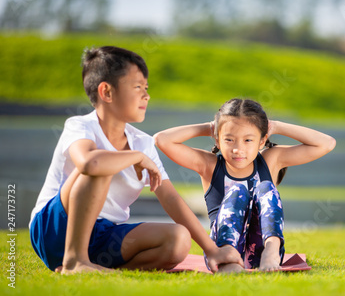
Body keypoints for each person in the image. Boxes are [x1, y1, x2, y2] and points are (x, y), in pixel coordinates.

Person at [29, 46, 243, 274]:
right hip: (54, 228)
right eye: (137, 87)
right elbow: (89, 164)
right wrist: (136, 157)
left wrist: (212, 249)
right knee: (101, 165)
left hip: (105, 235)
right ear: (106, 92)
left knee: (178, 239)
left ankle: (101, 269)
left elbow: (170, 198)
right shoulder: (80, 126)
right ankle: (75, 262)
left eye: (147, 88)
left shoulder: (143, 142)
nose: (146, 95)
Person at [154, 98, 336, 272]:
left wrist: (277, 126)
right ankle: (229, 256)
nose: (237, 149)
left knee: (265, 187)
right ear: (217, 139)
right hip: (221, 252)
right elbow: (161, 140)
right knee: (237, 190)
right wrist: (211, 127)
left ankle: (272, 250)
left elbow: (327, 144)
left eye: (248, 140)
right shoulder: (210, 165)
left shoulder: (270, 160)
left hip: (262, 252)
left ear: (262, 141)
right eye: (229, 139)